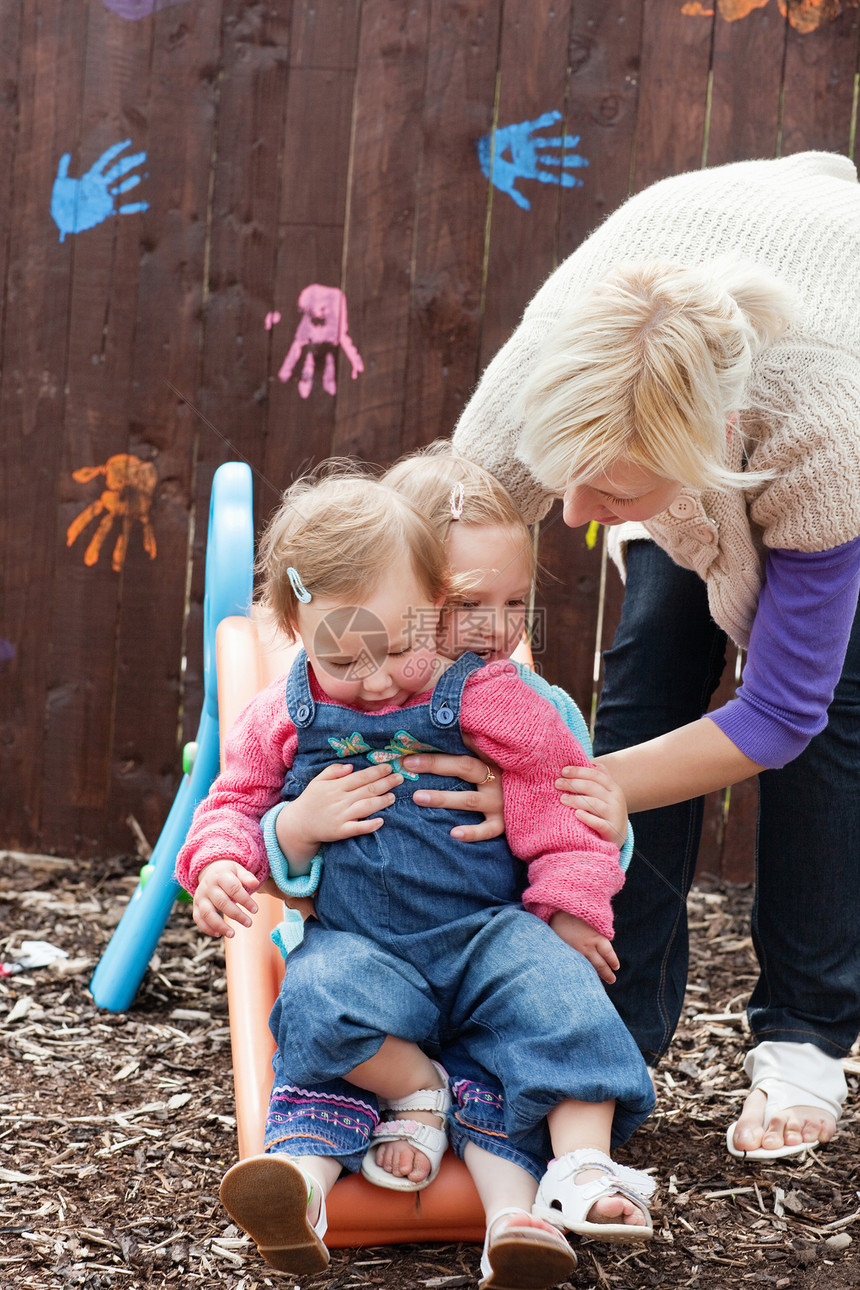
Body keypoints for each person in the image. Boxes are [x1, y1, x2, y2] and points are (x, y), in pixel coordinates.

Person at [449, 150, 860, 1162]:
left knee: (830, 725)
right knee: (644, 673)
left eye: (612, 496)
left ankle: (805, 1037)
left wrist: (559, 786)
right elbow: (435, 591)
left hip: (828, 359)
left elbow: (776, 715)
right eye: (566, 483)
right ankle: (605, 1025)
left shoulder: (820, 432)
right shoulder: (535, 392)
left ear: (706, 447)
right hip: (682, 274)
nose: (575, 519)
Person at [176, 467, 655, 1285]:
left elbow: (563, 802)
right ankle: (404, 1102)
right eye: (345, 657)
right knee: (315, 999)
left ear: (422, 606)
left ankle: (581, 1169)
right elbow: (232, 801)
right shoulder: (284, 714)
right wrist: (238, 854)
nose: (376, 679)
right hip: (363, 943)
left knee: (562, 986)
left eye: (400, 647)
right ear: (296, 631)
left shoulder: (495, 700)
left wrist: (573, 906)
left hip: (486, 936)